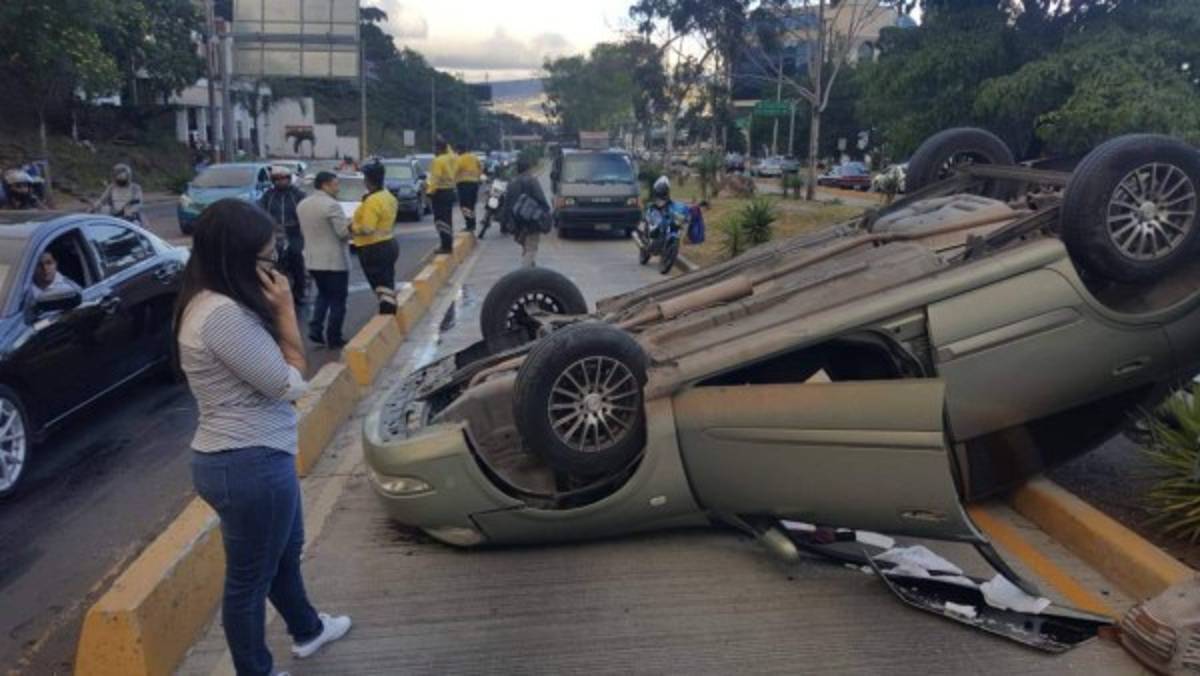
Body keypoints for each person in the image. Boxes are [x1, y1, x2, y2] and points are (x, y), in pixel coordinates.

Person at [174, 199, 351, 676]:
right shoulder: (222, 316)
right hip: (247, 463)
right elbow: (290, 383)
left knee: (281, 552)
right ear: (236, 257)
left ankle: (308, 629)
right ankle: (255, 670)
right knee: (249, 581)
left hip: (251, 457)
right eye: (266, 257)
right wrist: (288, 313)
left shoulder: (216, 304)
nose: (275, 266)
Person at [298, 172, 351, 348]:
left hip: (313, 260)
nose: (338, 188)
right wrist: (353, 227)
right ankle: (334, 337)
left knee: (323, 295)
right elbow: (342, 233)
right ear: (325, 185)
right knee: (338, 300)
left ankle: (315, 328)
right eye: (335, 184)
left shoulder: (303, 205)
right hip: (333, 261)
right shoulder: (332, 205)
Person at [352, 162, 401, 314]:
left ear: (367, 181)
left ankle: (388, 312)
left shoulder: (372, 201)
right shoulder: (388, 196)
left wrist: (351, 228)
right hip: (388, 243)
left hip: (373, 247)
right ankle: (390, 310)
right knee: (387, 282)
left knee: (380, 286)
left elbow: (367, 228)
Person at [258, 166, 308, 306]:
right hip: (274, 233)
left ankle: (300, 292)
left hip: (294, 232)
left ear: (289, 179)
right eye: (277, 179)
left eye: (283, 178)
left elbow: (305, 211)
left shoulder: (298, 194)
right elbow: (260, 211)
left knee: (296, 258)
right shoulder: (268, 195)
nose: (280, 182)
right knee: (271, 262)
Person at [500, 155, 551, 268]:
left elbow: (506, 204)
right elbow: (541, 200)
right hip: (532, 221)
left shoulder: (512, 183)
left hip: (517, 223)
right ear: (528, 169)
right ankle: (524, 274)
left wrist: (504, 223)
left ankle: (530, 271)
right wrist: (546, 216)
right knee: (531, 249)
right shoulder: (532, 181)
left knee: (526, 248)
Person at [426, 138, 457, 253]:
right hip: (450, 191)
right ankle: (448, 244)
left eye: (435, 147)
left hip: (440, 193)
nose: (434, 150)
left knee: (440, 220)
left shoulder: (438, 161)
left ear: (438, 148)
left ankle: (445, 246)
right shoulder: (452, 158)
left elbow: (435, 179)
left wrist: (430, 192)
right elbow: (451, 152)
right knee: (447, 219)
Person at [455, 146, 483, 233]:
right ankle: (472, 224)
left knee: (465, 206)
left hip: (463, 184)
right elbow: (481, 166)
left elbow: (455, 170)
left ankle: (469, 225)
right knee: (471, 205)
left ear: (459, 150)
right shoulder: (474, 157)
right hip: (474, 183)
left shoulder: (459, 159)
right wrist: (478, 176)